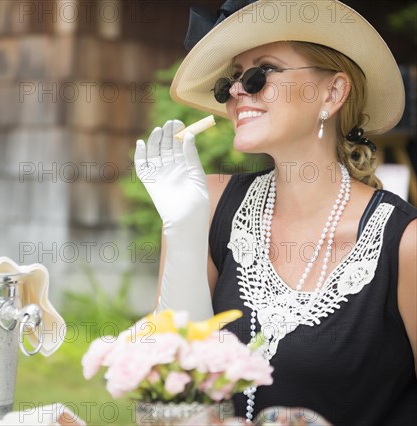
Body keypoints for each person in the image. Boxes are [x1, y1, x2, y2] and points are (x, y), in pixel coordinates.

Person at [134, 0, 416, 424]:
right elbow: (177, 388)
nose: (235, 90)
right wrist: (183, 232)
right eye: (231, 79)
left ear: (333, 92)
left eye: (259, 73)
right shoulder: (206, 206)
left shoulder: (406, 244)